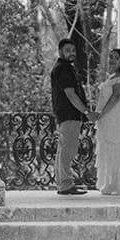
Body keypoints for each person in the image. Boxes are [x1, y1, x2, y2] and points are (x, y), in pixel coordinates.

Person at [50, 38, 94, 195]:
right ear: (61, 51)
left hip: (67, 114)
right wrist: (87, 112)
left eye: (74, 50)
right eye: (68, 50)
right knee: (68, 149)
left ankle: (63, 183)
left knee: (65, 148)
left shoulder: (65, 67)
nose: (72, 53)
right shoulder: (63, 69)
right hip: (68, 114)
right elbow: (70, 94)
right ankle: (66, 185)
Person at [94, 49, 120, 195]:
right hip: (109, 119)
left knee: (117, 150)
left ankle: (117, 183)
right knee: (108, 150)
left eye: (116, 58)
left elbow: (115, 97)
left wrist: (100, 114)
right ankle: (110, 183)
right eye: (111, 57)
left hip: (118, 119)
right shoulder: (112, 76)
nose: (112, 60)